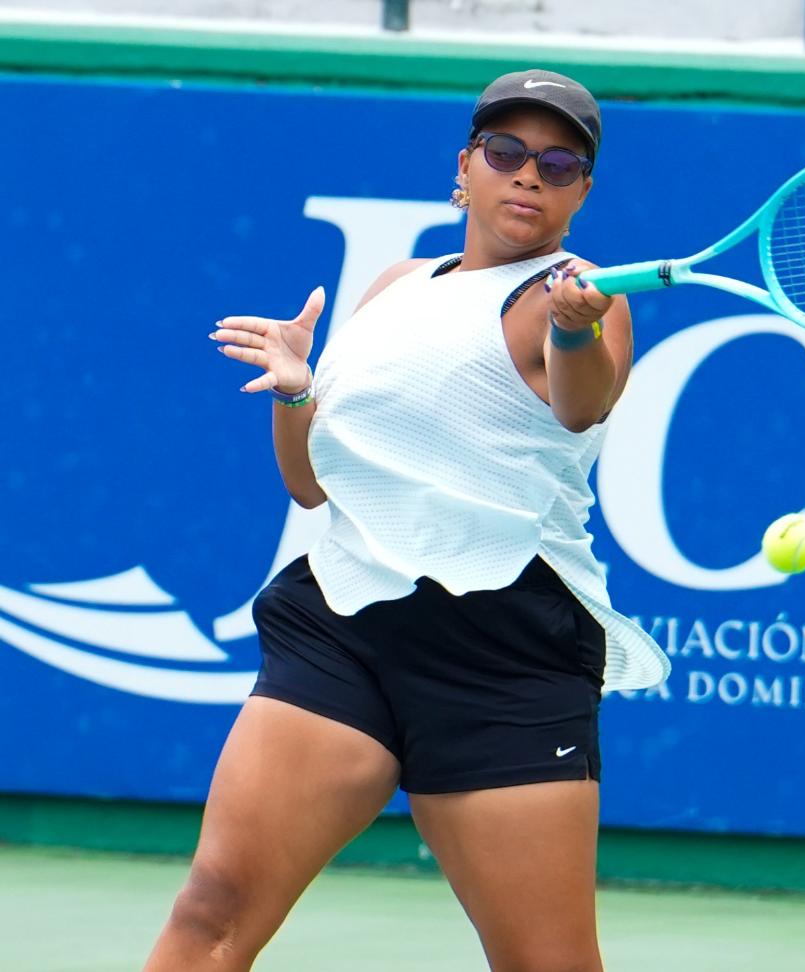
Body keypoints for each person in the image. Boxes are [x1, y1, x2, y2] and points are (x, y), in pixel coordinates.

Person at [144, 69, 669, 972]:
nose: (527, 174)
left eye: (557, 161)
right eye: (505, 152)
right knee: (213, 911)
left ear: (582, 193)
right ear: (464, 168)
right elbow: (312, 487)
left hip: (504, 650)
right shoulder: (397, 284)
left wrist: (578, 329)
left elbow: (581, 405)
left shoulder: (581, 296)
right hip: (346, 623)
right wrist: (298, 391)